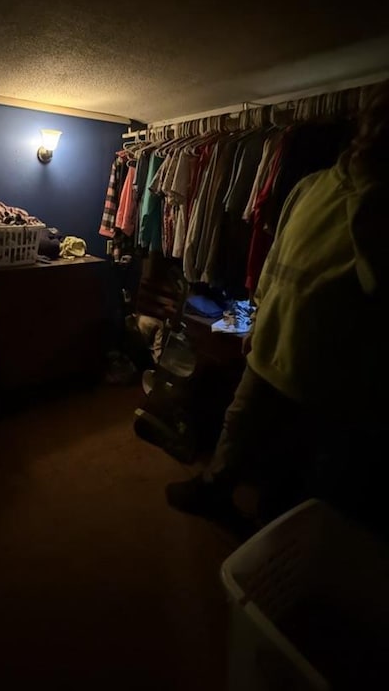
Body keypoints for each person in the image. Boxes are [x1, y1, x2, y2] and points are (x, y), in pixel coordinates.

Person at [166, 83, 389, 527]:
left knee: (295, 460)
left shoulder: (379, 204)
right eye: (371, 124)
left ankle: (273, 532)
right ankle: (216, 488)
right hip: (270, 338)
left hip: (324, 365)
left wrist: (368, 192)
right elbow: (275, 258)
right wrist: (253, 319)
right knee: (239, 420)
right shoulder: (311, 185)